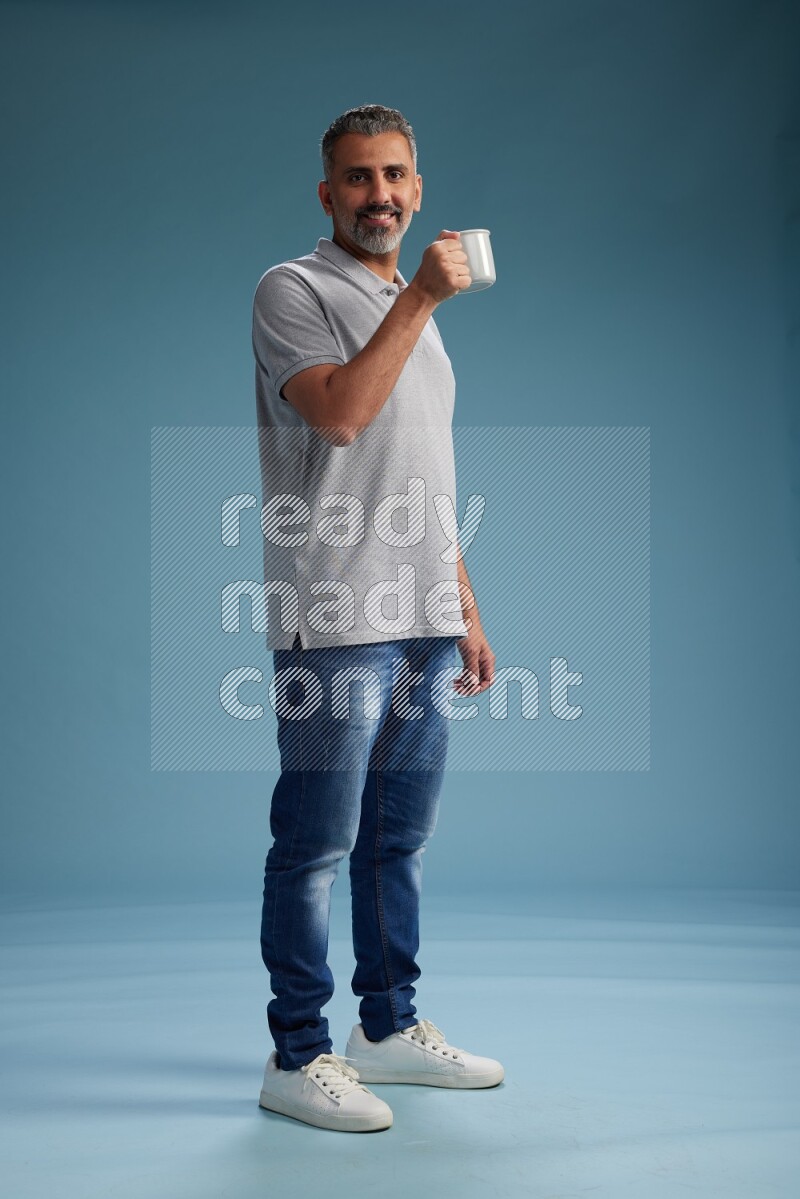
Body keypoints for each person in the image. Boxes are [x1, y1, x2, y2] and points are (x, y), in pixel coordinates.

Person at [251, 103, 503, 1133]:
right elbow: (343, 415)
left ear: (418, 187)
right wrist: (426, 299)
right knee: (316, 843)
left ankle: (386, 1028)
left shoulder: (411, 305)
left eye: (395, 175)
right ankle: (296, 1053)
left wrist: (463, 603)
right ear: (328, 193)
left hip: (423, 612)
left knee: (397, 839)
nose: (380, 195)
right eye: (358, 177)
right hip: (336, 612)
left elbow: (421, 474)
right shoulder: (293, 289)